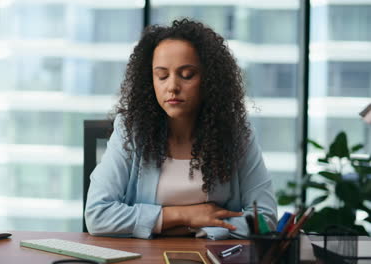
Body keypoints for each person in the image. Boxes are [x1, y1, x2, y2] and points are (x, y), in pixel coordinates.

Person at [85, 19, 277, 240]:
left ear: (209, 79)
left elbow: (265, 219)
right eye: (162, 76)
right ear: (151, 81)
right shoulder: (130, 131)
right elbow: (98, 214)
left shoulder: (236, 136)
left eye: (186, 75)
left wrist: (193, 229)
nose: (173, 87)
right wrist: (185, 215)